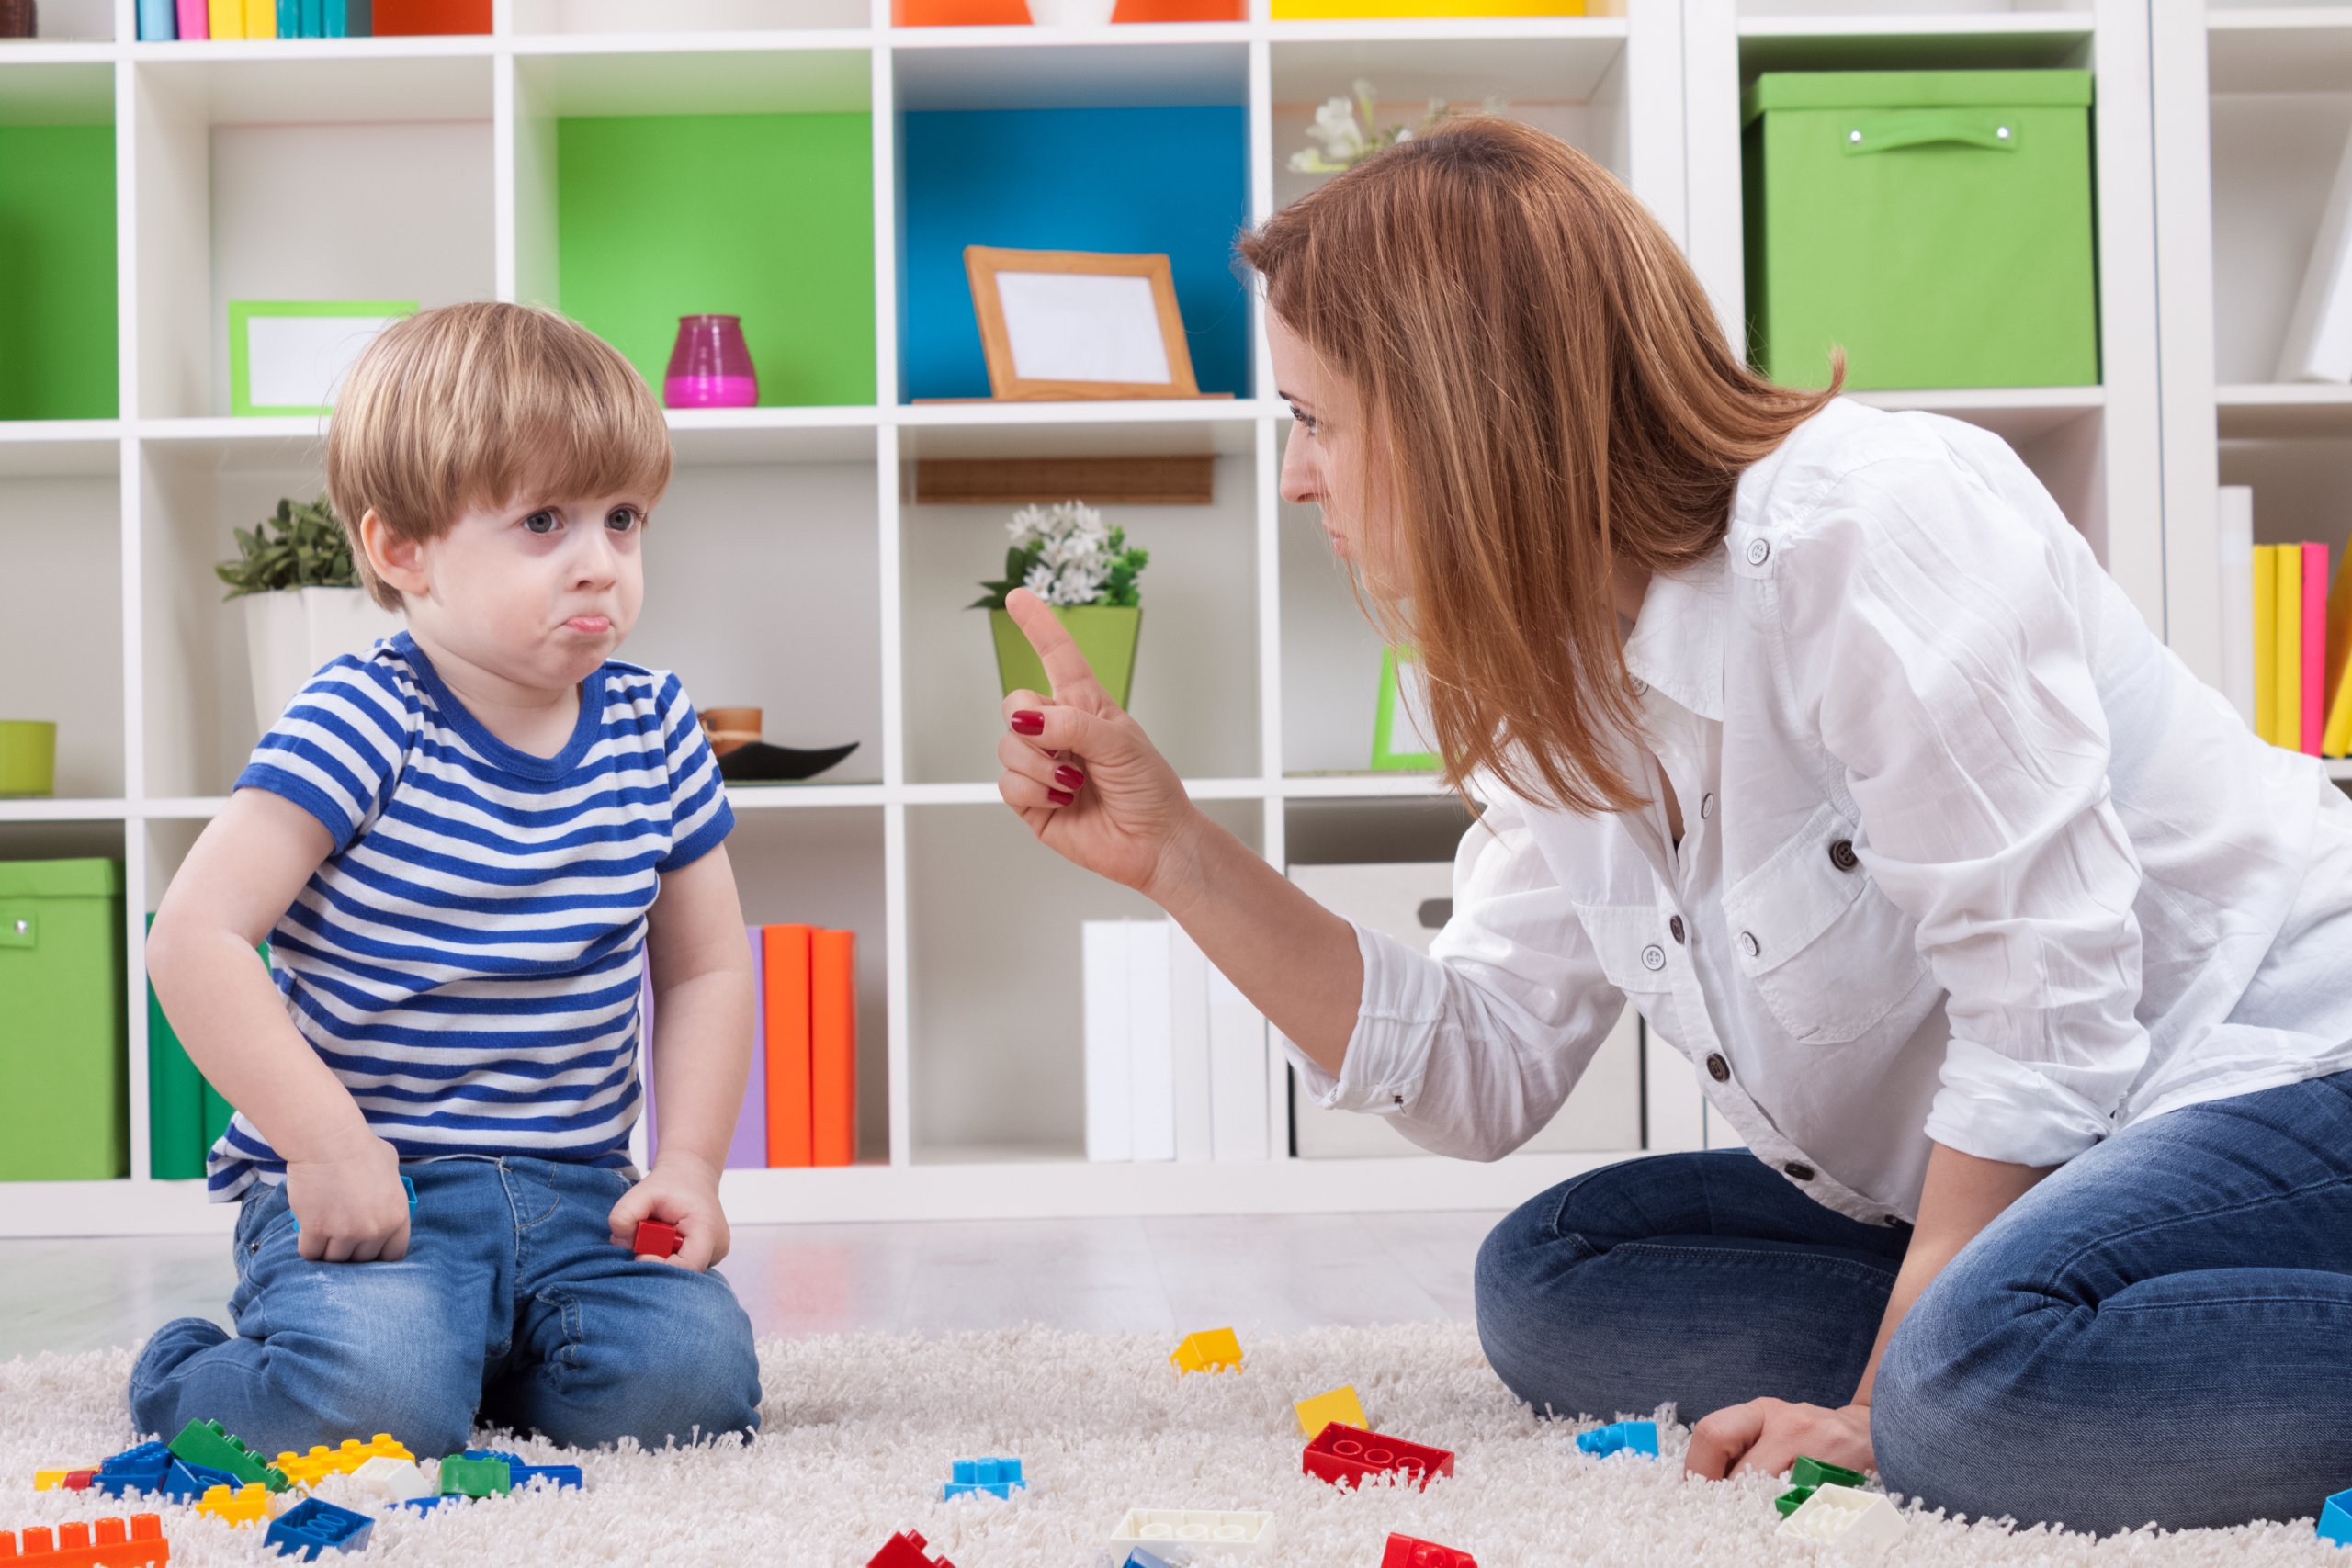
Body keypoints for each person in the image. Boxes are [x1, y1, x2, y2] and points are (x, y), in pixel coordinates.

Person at [991, 118, 2352, 1534]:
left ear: (1463, 408)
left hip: (2281, 1069)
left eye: (1316, 419)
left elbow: (2049, 1010)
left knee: (1957, 1396)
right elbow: (1488, 1064)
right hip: (2048, 1162)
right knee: (1555, 1274)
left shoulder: (1865, 525)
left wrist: (1882, 1406)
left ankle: (1983, 1361)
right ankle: (2029, 1338)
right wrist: (1183, 859)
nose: (1296, 476)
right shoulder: (1548, 661)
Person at [134, 302, 763, 1459]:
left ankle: (476, 1357)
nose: (600, 562)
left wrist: (687, 1167)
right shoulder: (362, 716)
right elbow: (194, 935)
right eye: (543, 521)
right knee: (370, 1405)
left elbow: (711, 967)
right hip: (376, 1195)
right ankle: (192, 1373)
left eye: (622, 520)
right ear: (400, 550)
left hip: (580, 1197)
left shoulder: (657, 726)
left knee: (693, 1386)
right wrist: (326, 1147)